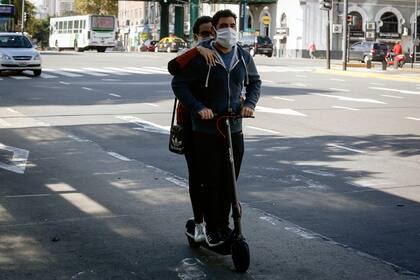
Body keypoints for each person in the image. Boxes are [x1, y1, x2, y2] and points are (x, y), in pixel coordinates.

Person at [171, 9, 261, 247]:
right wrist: (199, 108)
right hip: (204, 131)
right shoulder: (202, 55)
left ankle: (224, 225)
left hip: (234, 128)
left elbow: (255, 82)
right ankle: (210, 228)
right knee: (208, 181)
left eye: (233, 25)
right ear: (214, 29)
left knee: (229, 181)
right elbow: (178, 82)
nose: (229, 29)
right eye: (224, 25)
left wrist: (249, 105)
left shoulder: (243, 55)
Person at [168, 16, 217, 243]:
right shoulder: (194, 54)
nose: (212, 37)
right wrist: (198, 51)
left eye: (214, 33)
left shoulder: (227, 53)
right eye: (206, 34)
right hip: (191, 123)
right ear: (197, 36)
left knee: (217, 176)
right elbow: (173, 68)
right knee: (197, 175)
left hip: (217, 124)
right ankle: (199, 223)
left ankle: (216, 221)